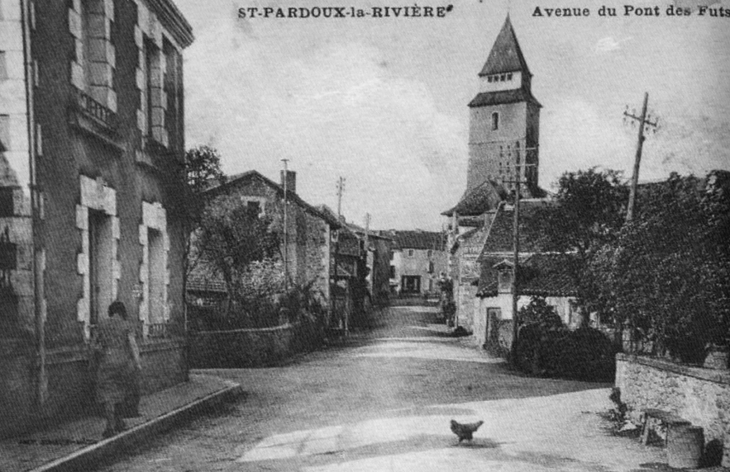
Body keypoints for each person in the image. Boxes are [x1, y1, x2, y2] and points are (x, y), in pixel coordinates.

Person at [93, 301, 142, 438]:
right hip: (123, 363)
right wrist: (137, 363)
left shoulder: (102, 324)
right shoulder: (126, 325)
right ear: (122, 312)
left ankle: (110, 426)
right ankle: (119, 421)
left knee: (108, 395)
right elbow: (132, 345)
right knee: (121, 392)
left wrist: (95, 359)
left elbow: (94, 345)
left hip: (107, 362)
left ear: (111, 311)